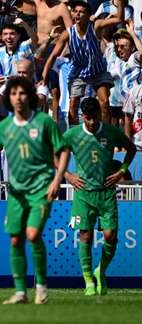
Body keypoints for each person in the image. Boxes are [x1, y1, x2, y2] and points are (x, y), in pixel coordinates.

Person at [0, 76, 69, 305]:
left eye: (22, 93)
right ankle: (20, 292)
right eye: (13, 94)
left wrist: (57, 179)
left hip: (41, 188)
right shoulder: (4, 126)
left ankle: (41, 287)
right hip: (16, 193)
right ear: (8, 98)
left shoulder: (43, 122)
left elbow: (63, 150)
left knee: (32, 235)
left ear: (29, 96)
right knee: (15, 240)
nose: (18, 98)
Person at [62, 97, 135, 296]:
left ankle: (100, 270)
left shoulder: (110, 132)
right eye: (87, 118)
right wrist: (68, 175)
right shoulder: (73, 134)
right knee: (85, 235)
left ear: (99, 114)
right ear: (82, 116)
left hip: (106, 192)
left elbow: (132, 148)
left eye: (94, 117)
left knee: (111, 236)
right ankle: (88, 281)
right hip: (83, 193)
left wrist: (121, 171)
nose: (92, 122)